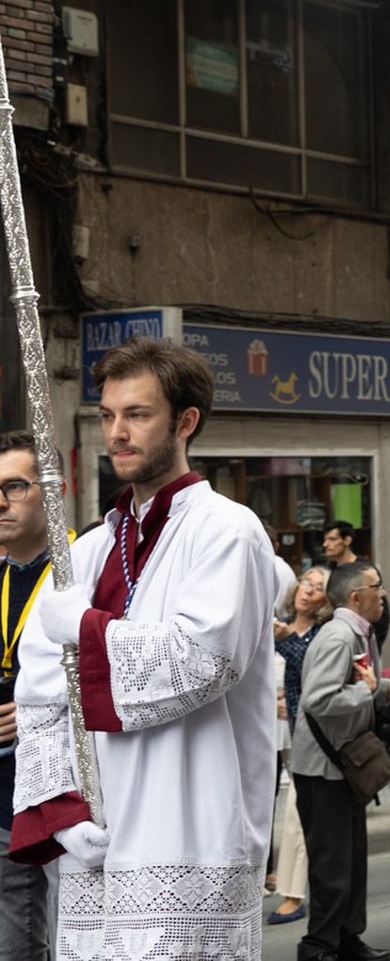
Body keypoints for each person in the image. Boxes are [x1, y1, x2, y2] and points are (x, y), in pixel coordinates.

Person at [13, 336, 279, 958]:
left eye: (137, 415)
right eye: (108, 416)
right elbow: (41, 694)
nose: (117, 433)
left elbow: (202, 660)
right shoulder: (87, 551)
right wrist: (61, 805)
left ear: (185, 422)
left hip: (189, 825)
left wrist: (85, 629)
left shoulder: (227, 532)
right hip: (100, 840)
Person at [291, 560, 390, 961]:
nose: (384, 594)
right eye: (378, 586)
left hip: (344, 768)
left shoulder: (359, 632)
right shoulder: (339, 637)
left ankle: (345, 939)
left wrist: (386, 688)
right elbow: (318, 698)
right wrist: (368, 692)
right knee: (331, 866)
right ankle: (318, 946)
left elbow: (358, 684)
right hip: (323, 771)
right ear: (357, 596)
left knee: (352, 862)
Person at [0, 433, 60, 957]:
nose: (0, 502)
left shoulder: (80, 572)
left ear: (52, 491)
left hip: (66, 799)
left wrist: (41, 704)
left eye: (14, 486)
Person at [270, 565, 332, 928]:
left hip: (308, 735)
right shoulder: (278, 623)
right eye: (306, 581)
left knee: (297, 813)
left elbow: (311, 670)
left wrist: (283, 639)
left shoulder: (318, 634)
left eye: (318, 587)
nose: (307, 590)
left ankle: (294, 895)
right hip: (271, 729)